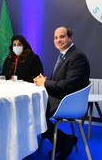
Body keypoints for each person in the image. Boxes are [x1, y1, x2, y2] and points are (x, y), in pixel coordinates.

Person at [34, 26, 90, 159]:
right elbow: (63, 81)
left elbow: (69, 85)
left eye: (62, 36)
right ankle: (62, 141)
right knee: (34, 109)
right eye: (55, 37)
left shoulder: (77, 56)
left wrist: (45, 84)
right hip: (61, 97)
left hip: (67, 101)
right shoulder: (65, 55)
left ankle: (62, 141)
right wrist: (45, 81)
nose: (58, 40)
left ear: (70, 38)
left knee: (33, 110)